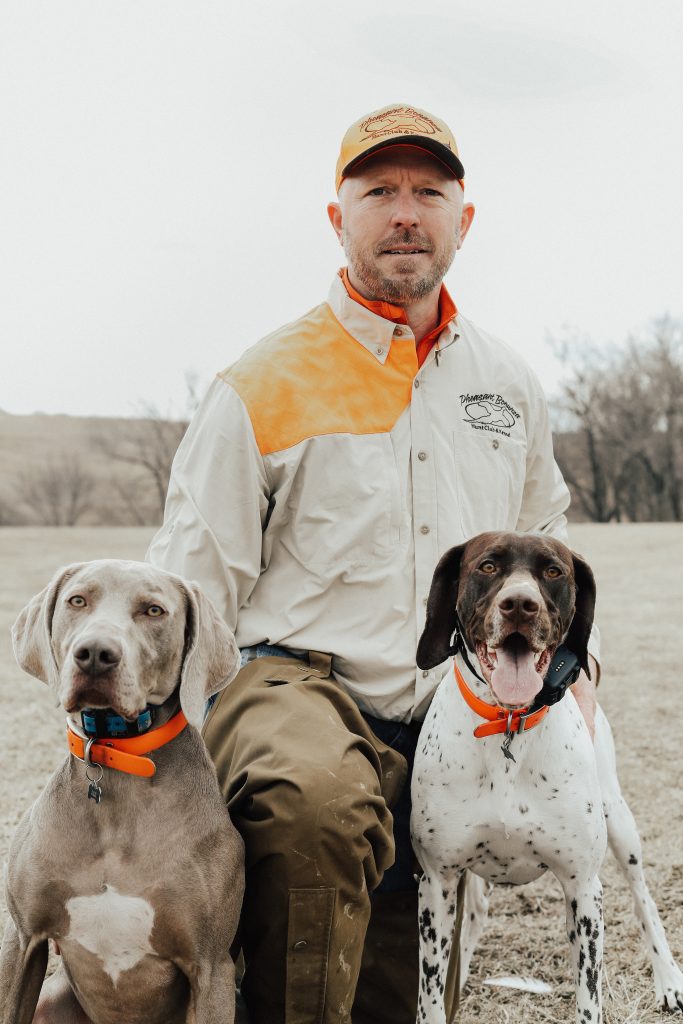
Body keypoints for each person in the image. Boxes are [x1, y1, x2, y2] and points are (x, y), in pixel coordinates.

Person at [147, 102, 599, 1024]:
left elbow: (546, 549)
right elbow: (194, 594)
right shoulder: (260, 383)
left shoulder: (507, 383)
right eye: (377, 190)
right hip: (294, 683)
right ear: (336, 217)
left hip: (455, 693)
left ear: (462, 221)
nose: (404, 212)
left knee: (399, 991)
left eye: (428, 192)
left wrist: (575, 684)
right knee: (320, 802)